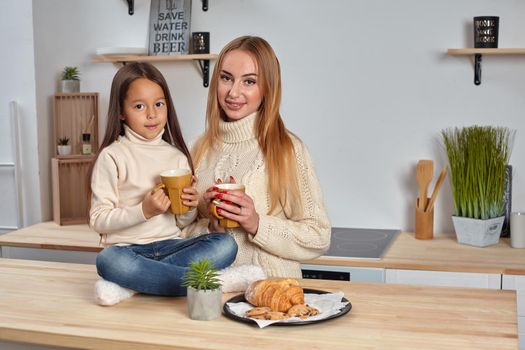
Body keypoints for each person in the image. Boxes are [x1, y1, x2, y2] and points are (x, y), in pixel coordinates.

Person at [89, 62, 238, 306]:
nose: (152, 114)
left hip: (173, 246)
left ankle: (137, 283)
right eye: (139, 106)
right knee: (108, 261)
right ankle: (209, 281)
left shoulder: (177, 156)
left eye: (159, 104)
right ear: (121, 111)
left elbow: (182, 222)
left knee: (225, 244)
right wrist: (144, 211)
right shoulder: (112, 156)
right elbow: (98, 220)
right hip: (128, 250)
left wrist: (188, 208)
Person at [183, 36, 331, 278]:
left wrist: (256, 223)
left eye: (249, 81)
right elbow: (176, 234)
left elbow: (318, 236)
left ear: (267, 88)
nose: (233, 92)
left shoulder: (286, 149)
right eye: (226, 78)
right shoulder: (197, 148)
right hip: (210, 291)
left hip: (272, 297)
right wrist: (211, 229)